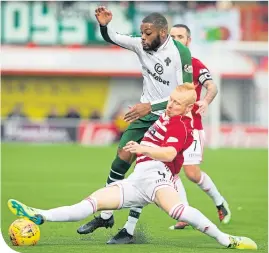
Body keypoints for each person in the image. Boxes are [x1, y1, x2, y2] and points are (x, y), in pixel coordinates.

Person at [7, 84, 257, 250]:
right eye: (170, 100)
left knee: (179, 211)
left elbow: (169, 153)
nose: (170, 105)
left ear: (188, 108)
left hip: (159, 177)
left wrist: (143, 149)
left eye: (177, 104)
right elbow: (159, 106)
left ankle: (227, 240)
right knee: (89, 203)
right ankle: (40, 215)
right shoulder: (169, 115)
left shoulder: (181, 126)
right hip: (138, 180)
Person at [76, 6, 193, 243]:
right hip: (143, 115)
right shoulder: (141, 44)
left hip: (166, 118)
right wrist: (104, 24)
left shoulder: (180, 53)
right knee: (121, 157)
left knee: (144, 172)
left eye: (148, 33)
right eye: (142, 33)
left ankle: (128, 230)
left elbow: (187, 92)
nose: (143, 38)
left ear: (162, 33)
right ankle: (107, 216)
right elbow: (113, 37)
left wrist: (151, 106)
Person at [167, 24, 231, 230]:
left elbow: (212, 86)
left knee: (192, 174)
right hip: (169, 127)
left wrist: (206, 101)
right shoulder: (163, 65)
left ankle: (220, 202)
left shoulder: (194, 65)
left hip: (191, 128)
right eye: (172, 36)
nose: (176, 40)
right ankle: (184, 213)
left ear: (188, 41)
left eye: (180, 36)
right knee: (169, 171)